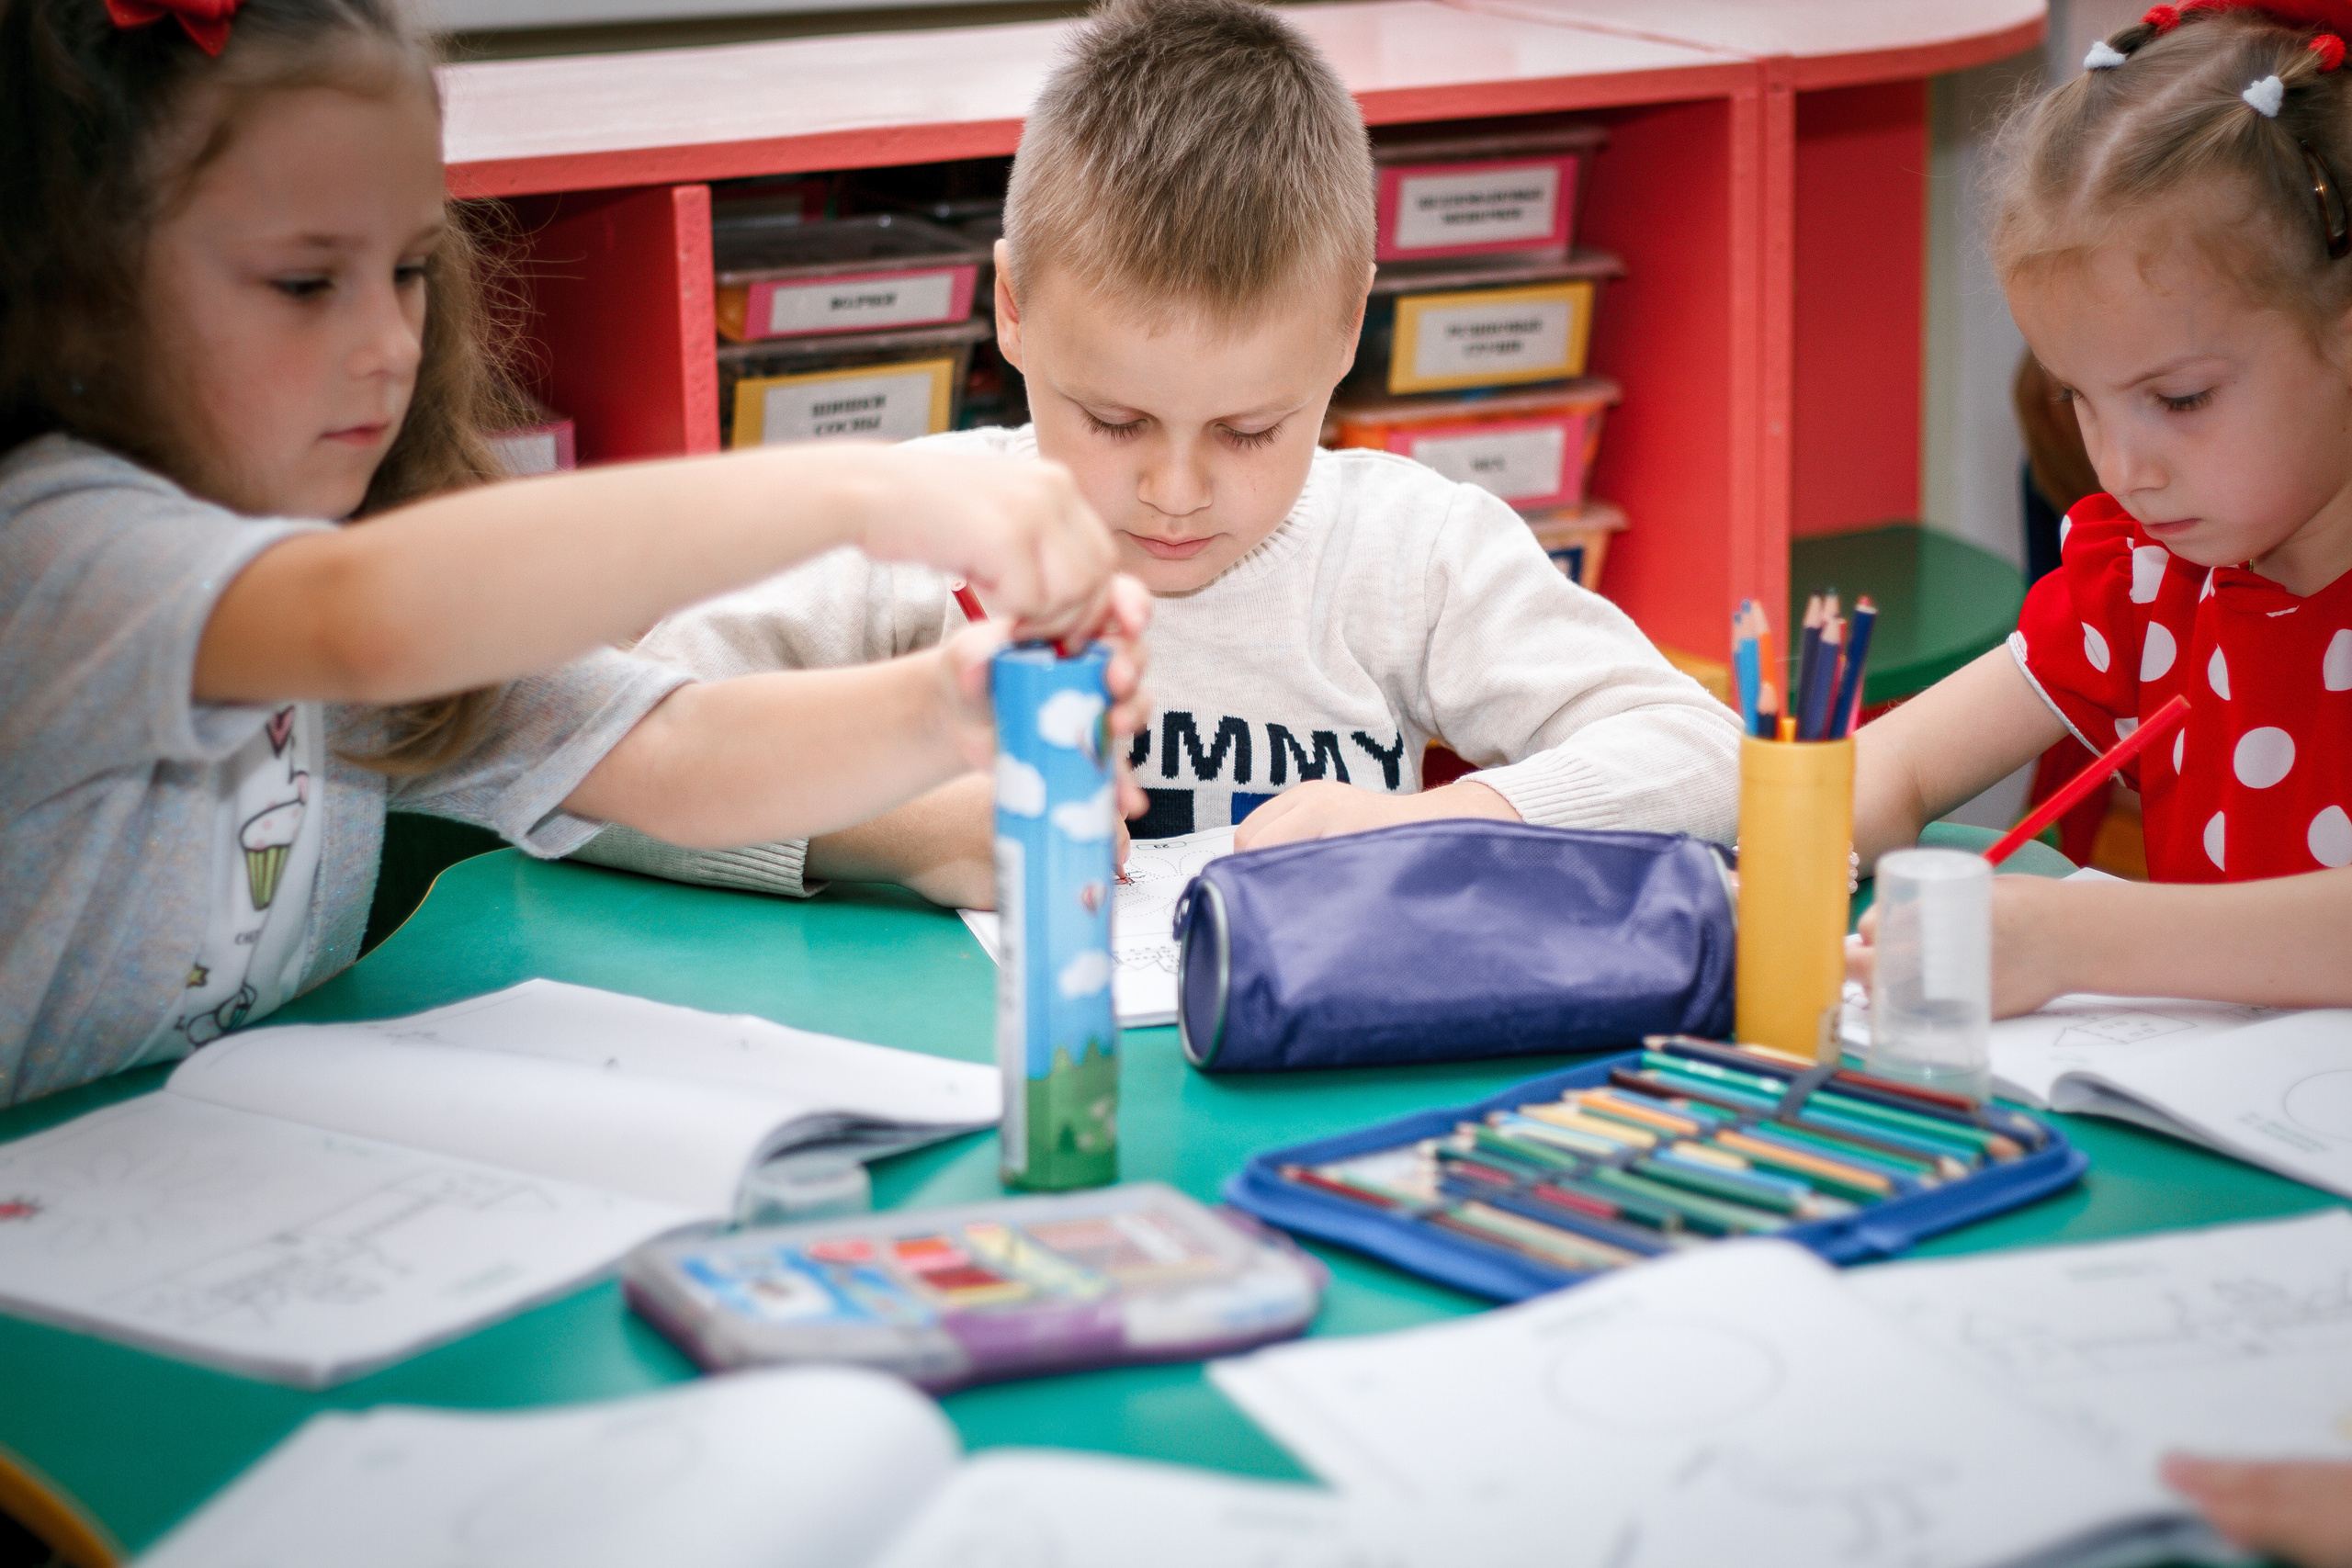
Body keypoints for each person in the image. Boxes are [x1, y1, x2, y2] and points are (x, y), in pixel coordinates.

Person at [0, 0, 1148, 1104]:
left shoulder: (357, 554)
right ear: (77, 297)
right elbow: (362, 620)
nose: (389, 344)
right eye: (304, 284)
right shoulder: (58, 554)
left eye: (407, 271)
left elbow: (673, 751)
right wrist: (862, 487)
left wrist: (944, 710)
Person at [577, 0, 1742, 911]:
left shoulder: (1410, 551)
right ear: (1013, 312)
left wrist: (1439, 822)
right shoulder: (920, 529)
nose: (1174, 493)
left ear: (1347, 334)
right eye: (1115, 422)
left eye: (1250, 431)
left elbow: (1707, 758)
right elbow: (591, 766)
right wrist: (900, 835)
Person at [1851, 0, 2352, 1016]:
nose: (2123, 467)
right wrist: (1822, 833)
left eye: (2178, 400)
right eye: (2078, 397)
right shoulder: (2147, 577)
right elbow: (1893, 761)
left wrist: (2073, 939)